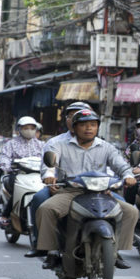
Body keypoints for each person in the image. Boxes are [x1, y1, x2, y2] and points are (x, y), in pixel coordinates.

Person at [32, 109, 138, 269]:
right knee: (46, 209)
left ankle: (115, 252)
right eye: (83, 125)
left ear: (97, 128)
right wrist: (49, 174)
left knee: (131, 211)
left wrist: (128, 175)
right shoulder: (59, 144)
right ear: (74, 127)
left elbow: (120, 165)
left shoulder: (106, 147)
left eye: (93, 125)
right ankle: (51, 251)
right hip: (71, 192)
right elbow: (50, 163)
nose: (89, 128)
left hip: (101, 192)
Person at [24, 103, 92, 256]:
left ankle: (114, 249)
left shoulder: (101, 143)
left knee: (124, 208)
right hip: (62, 188)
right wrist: (49, 177)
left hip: (94, 190)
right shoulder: (55, 143)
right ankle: (39, 243)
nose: (77, 119)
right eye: (72, 115)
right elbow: (48, 166)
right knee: (38, 199)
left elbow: (113, 166)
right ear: (67, 120)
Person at [0, 116, 45, 227]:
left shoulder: (41, 145)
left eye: (32, 128)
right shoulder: (11, 144)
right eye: (26, 128)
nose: (29, 130)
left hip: (37, 176)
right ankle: (5, 215)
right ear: (19, 129)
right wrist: (6, 166)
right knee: (18, 188)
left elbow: (47, 159)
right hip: (18, 174)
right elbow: (4, 157)